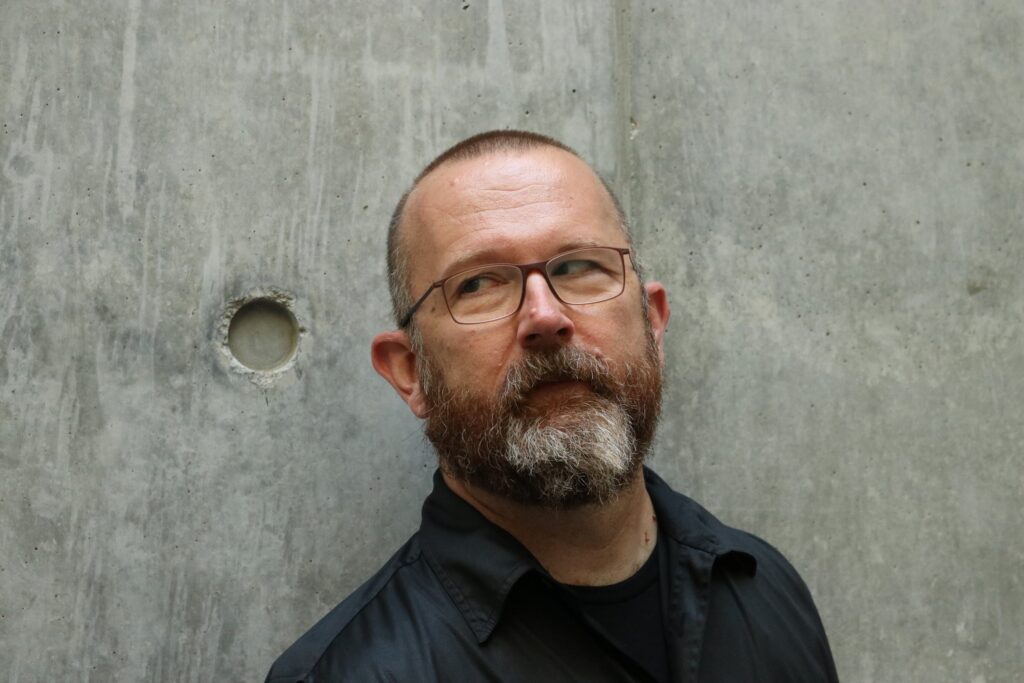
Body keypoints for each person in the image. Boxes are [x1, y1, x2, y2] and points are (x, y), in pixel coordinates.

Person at [265, 130, 838, 682]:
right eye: (478, 284)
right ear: (410, 372)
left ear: (653, 324)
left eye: (579, 267)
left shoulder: (766, 591)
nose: (544, 317)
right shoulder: (353, 675)